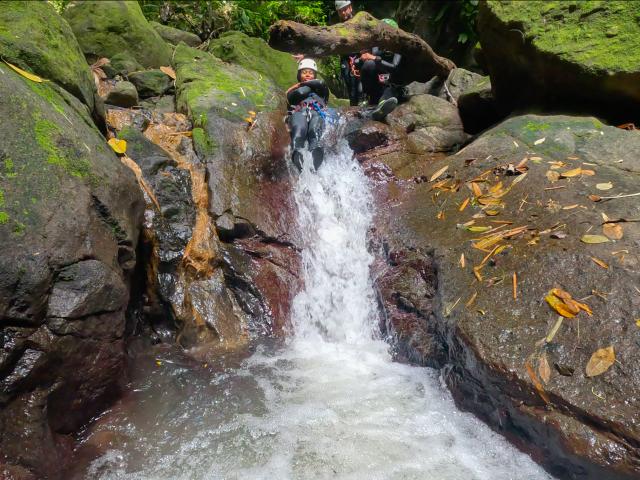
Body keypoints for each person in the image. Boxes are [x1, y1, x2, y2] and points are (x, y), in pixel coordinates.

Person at [286, 58, 330, 172]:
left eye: (310, 73)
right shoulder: (295, 90)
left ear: (315, 75)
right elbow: (290, 97)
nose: (307, 75)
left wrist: (304, 85)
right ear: (299, 74)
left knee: (314, 130)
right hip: (300, 112)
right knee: (299, 129)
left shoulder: (321, 89)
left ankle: (315, 152)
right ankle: (297, 152)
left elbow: (321, 84)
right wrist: (300, 87)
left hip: (316, 112)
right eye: (304, 72)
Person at [355, 18, 402, 121]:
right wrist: (361, 59)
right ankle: (365, 99)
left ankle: (382, 106)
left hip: (391, 82)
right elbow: (361, 64)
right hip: (376, 83)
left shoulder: (399, 47)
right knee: (368, 65)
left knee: (390, 90)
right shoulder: (375, 46)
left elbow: (395, 67)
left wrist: (376, 59)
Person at [335, 0, 362, 106]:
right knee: (350, 85)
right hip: (345, 59)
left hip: (359, 57)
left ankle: (363, 106)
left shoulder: (359, 23)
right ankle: (353, 107)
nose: (343, 13)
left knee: (359, 86)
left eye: (344, 9)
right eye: (340, 11)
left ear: (350, 8)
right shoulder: (338, 27)